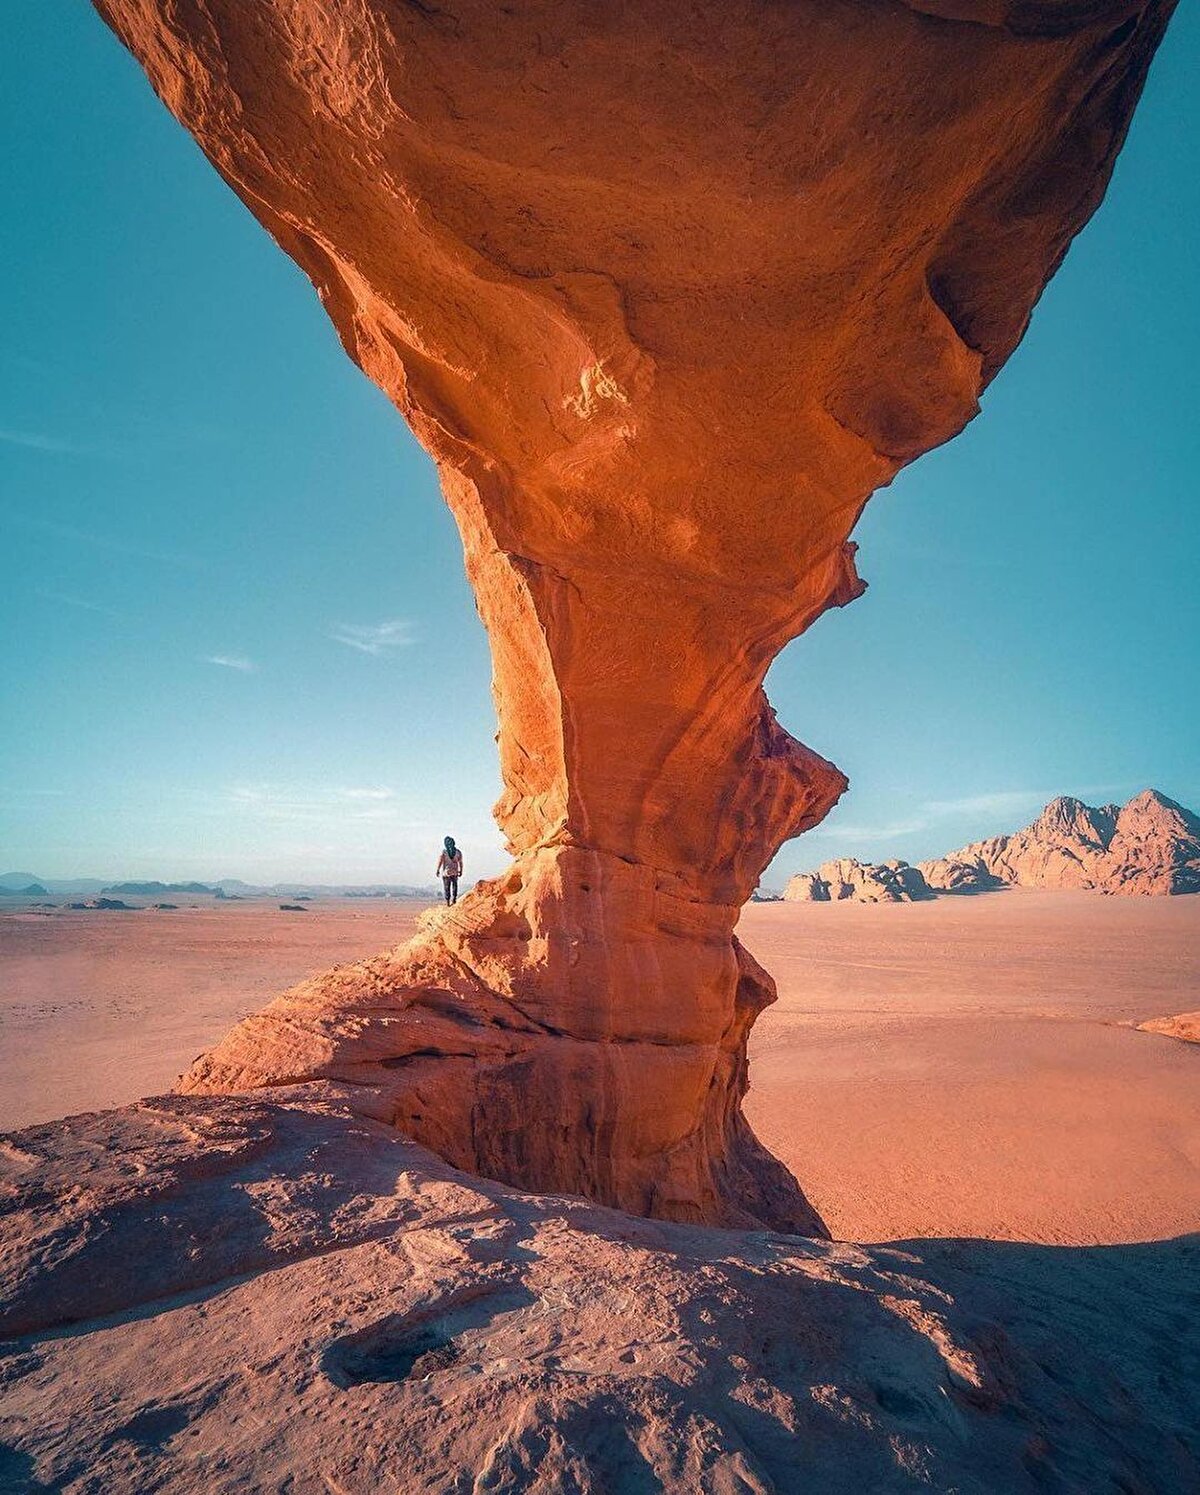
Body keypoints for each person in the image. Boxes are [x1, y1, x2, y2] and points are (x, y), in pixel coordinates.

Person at [436, 835, 463, 905]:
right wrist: (461, 871)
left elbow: (440, 861)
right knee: (455, 885)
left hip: (446, 873)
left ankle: (448, 902)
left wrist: (438, 870)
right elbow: (460, 862)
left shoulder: (444, 852)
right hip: (454, 872)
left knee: (446, 887)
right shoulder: (458, 852)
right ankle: (454, 899)